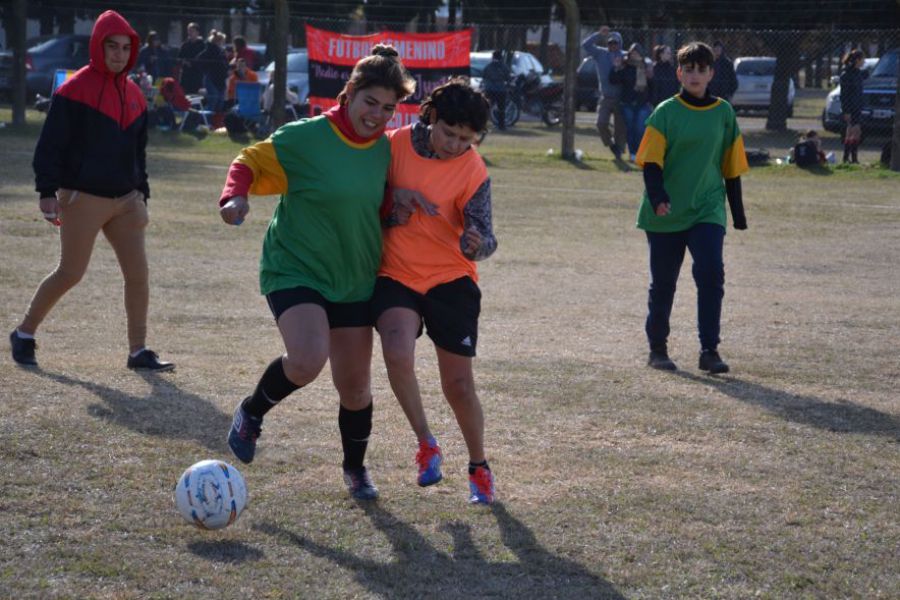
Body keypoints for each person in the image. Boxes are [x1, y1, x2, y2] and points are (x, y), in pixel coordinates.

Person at [218, 45, 416, 501]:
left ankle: (355, 468)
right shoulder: (305, 137)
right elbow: (248, 161)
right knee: (307, 359)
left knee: (355, 387)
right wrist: (235, 198)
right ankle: (251, 412)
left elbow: (378, 203)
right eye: (371, 102)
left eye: (388, 108)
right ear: (349, 93)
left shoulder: (387, 151)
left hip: (354, 275)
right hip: (296, 266)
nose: (378, 115)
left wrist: (396, 208)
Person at [10, 10, 173, 372]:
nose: (118, 54)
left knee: (139, 275)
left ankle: (138, 351)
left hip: (127, 202)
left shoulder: (135, 94)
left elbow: (138, 151)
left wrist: (141, 193)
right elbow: (51, 144)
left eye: (125, 47)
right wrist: (46, 190)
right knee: (71, 272)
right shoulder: (73, 90)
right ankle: (23, 333)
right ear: (99, 47)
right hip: (82, 197)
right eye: (111, 46)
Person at [374, 79, 498, 505]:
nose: (455, 145)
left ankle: (479, 466)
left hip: (451, 280)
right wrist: (394, 206)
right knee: (396, 351)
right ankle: (426, 443)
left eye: (467, 139)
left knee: (458, 386)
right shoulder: (393, 147)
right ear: (429, 116)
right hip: (397, 274)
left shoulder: (474, 170)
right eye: (449, 133)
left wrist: (476, 242)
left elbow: (487, 235)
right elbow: (369, 207)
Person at [634, 42, 749, 374]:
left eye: (703, 69)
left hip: (707, 209)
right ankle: (657, 349)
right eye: (690, 69)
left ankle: (709, 350)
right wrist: (658, 198)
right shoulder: (665, 113)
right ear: (679, 73)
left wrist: (737, 214)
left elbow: (731, 166)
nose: (696, 75)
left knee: (711, 273)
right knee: (664, 284)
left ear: (712, 73)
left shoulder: (724, 113)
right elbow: (651, 163)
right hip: (666, 211)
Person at [581, 26, 627, 159]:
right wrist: (599, 35)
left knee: (620, 127)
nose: (613, 45)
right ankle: (610, 144)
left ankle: (619, 150)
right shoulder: (600, 53)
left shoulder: (625, 56)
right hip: (605, 96)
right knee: (601, 123)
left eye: (615, 43)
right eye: (610, 42)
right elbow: (586, 45)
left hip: (620, 97)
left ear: (620, 43)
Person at [610, 43, 653, 161]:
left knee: (640, 129)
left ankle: (640, 151)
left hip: (643, 103)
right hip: (627, 102)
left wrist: (651, 100)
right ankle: (633, 153)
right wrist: (616, 67)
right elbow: (613, 80)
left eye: (637, 53)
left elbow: (652, 85)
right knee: (630, 129)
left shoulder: (646, 67)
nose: (635, 55)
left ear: (641, 54)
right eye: (632, 53)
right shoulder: (625, 66)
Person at [839, 49, 867, 164]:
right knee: (851, 131)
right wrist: (846, 111)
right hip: (850, 107)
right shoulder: (847, 75)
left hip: (857, 106)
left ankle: (853, 158)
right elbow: (844, 95)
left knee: (856, 132)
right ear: (857, 60)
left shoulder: (858, 73)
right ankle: (847, 158)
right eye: (862, 59)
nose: (863, 62)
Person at [481, 50, 511, 130]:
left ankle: (483, 125)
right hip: (501, 90)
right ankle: (501, 126)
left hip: (490, 89)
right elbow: (508, 77)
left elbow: (484, 75)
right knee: (501, 108)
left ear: (493, 57)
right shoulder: (503, 66)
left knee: (487, 108)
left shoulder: (488, 66)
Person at [177, 22, 205, 94]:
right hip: (186, 76)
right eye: (188, 30)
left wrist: (192, 64)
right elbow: (179, 58)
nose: (189, 33)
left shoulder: (202, 45)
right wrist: (183, 62)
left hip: (197, 76)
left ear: (197, 32)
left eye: (192, 31)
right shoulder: (185, 45)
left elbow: (203, 60)